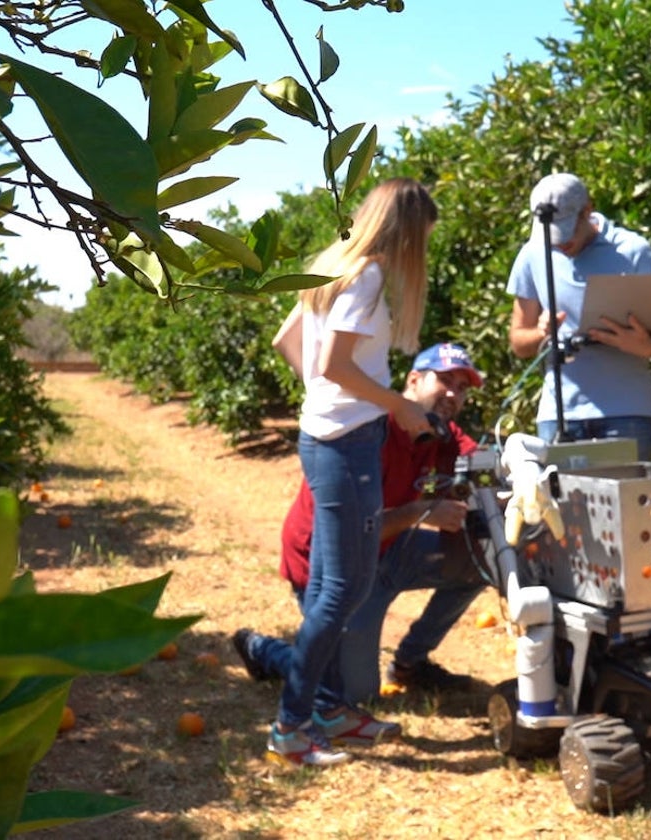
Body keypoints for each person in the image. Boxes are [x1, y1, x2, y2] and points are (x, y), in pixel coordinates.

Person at [261, 178, 438, 767]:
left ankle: (327, 708)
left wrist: (321, 396)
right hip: (346, 443)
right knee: (343, 589)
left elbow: (289, 340)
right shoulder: (366, 276)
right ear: (406, 232)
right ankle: (291, 726)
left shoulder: (336, 265)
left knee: (330, 587)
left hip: (329, 437)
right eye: (424, 240)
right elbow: (335, 363)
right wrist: (399, 406)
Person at [234, 343, 487, 707]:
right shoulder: (368, 429)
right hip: (330, 563)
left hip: (388, 549)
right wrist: (421, 511)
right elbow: (348, 532)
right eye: (445, 380)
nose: (454, 393)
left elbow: (482, 465)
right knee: (351, 694)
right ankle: (266, 650)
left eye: (462, 388)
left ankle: (410, 665)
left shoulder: (440, 433)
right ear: (413, 380)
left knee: (479, 561)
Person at [506, 173, 651, 459]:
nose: (560, 244)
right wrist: (541, 332)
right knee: (559, 504)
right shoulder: (532, 255)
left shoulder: (633, 252)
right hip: (559, 414)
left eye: (566, 231)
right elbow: (519, 342)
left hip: (627, 413)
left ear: (588, 210)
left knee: (627, 502)